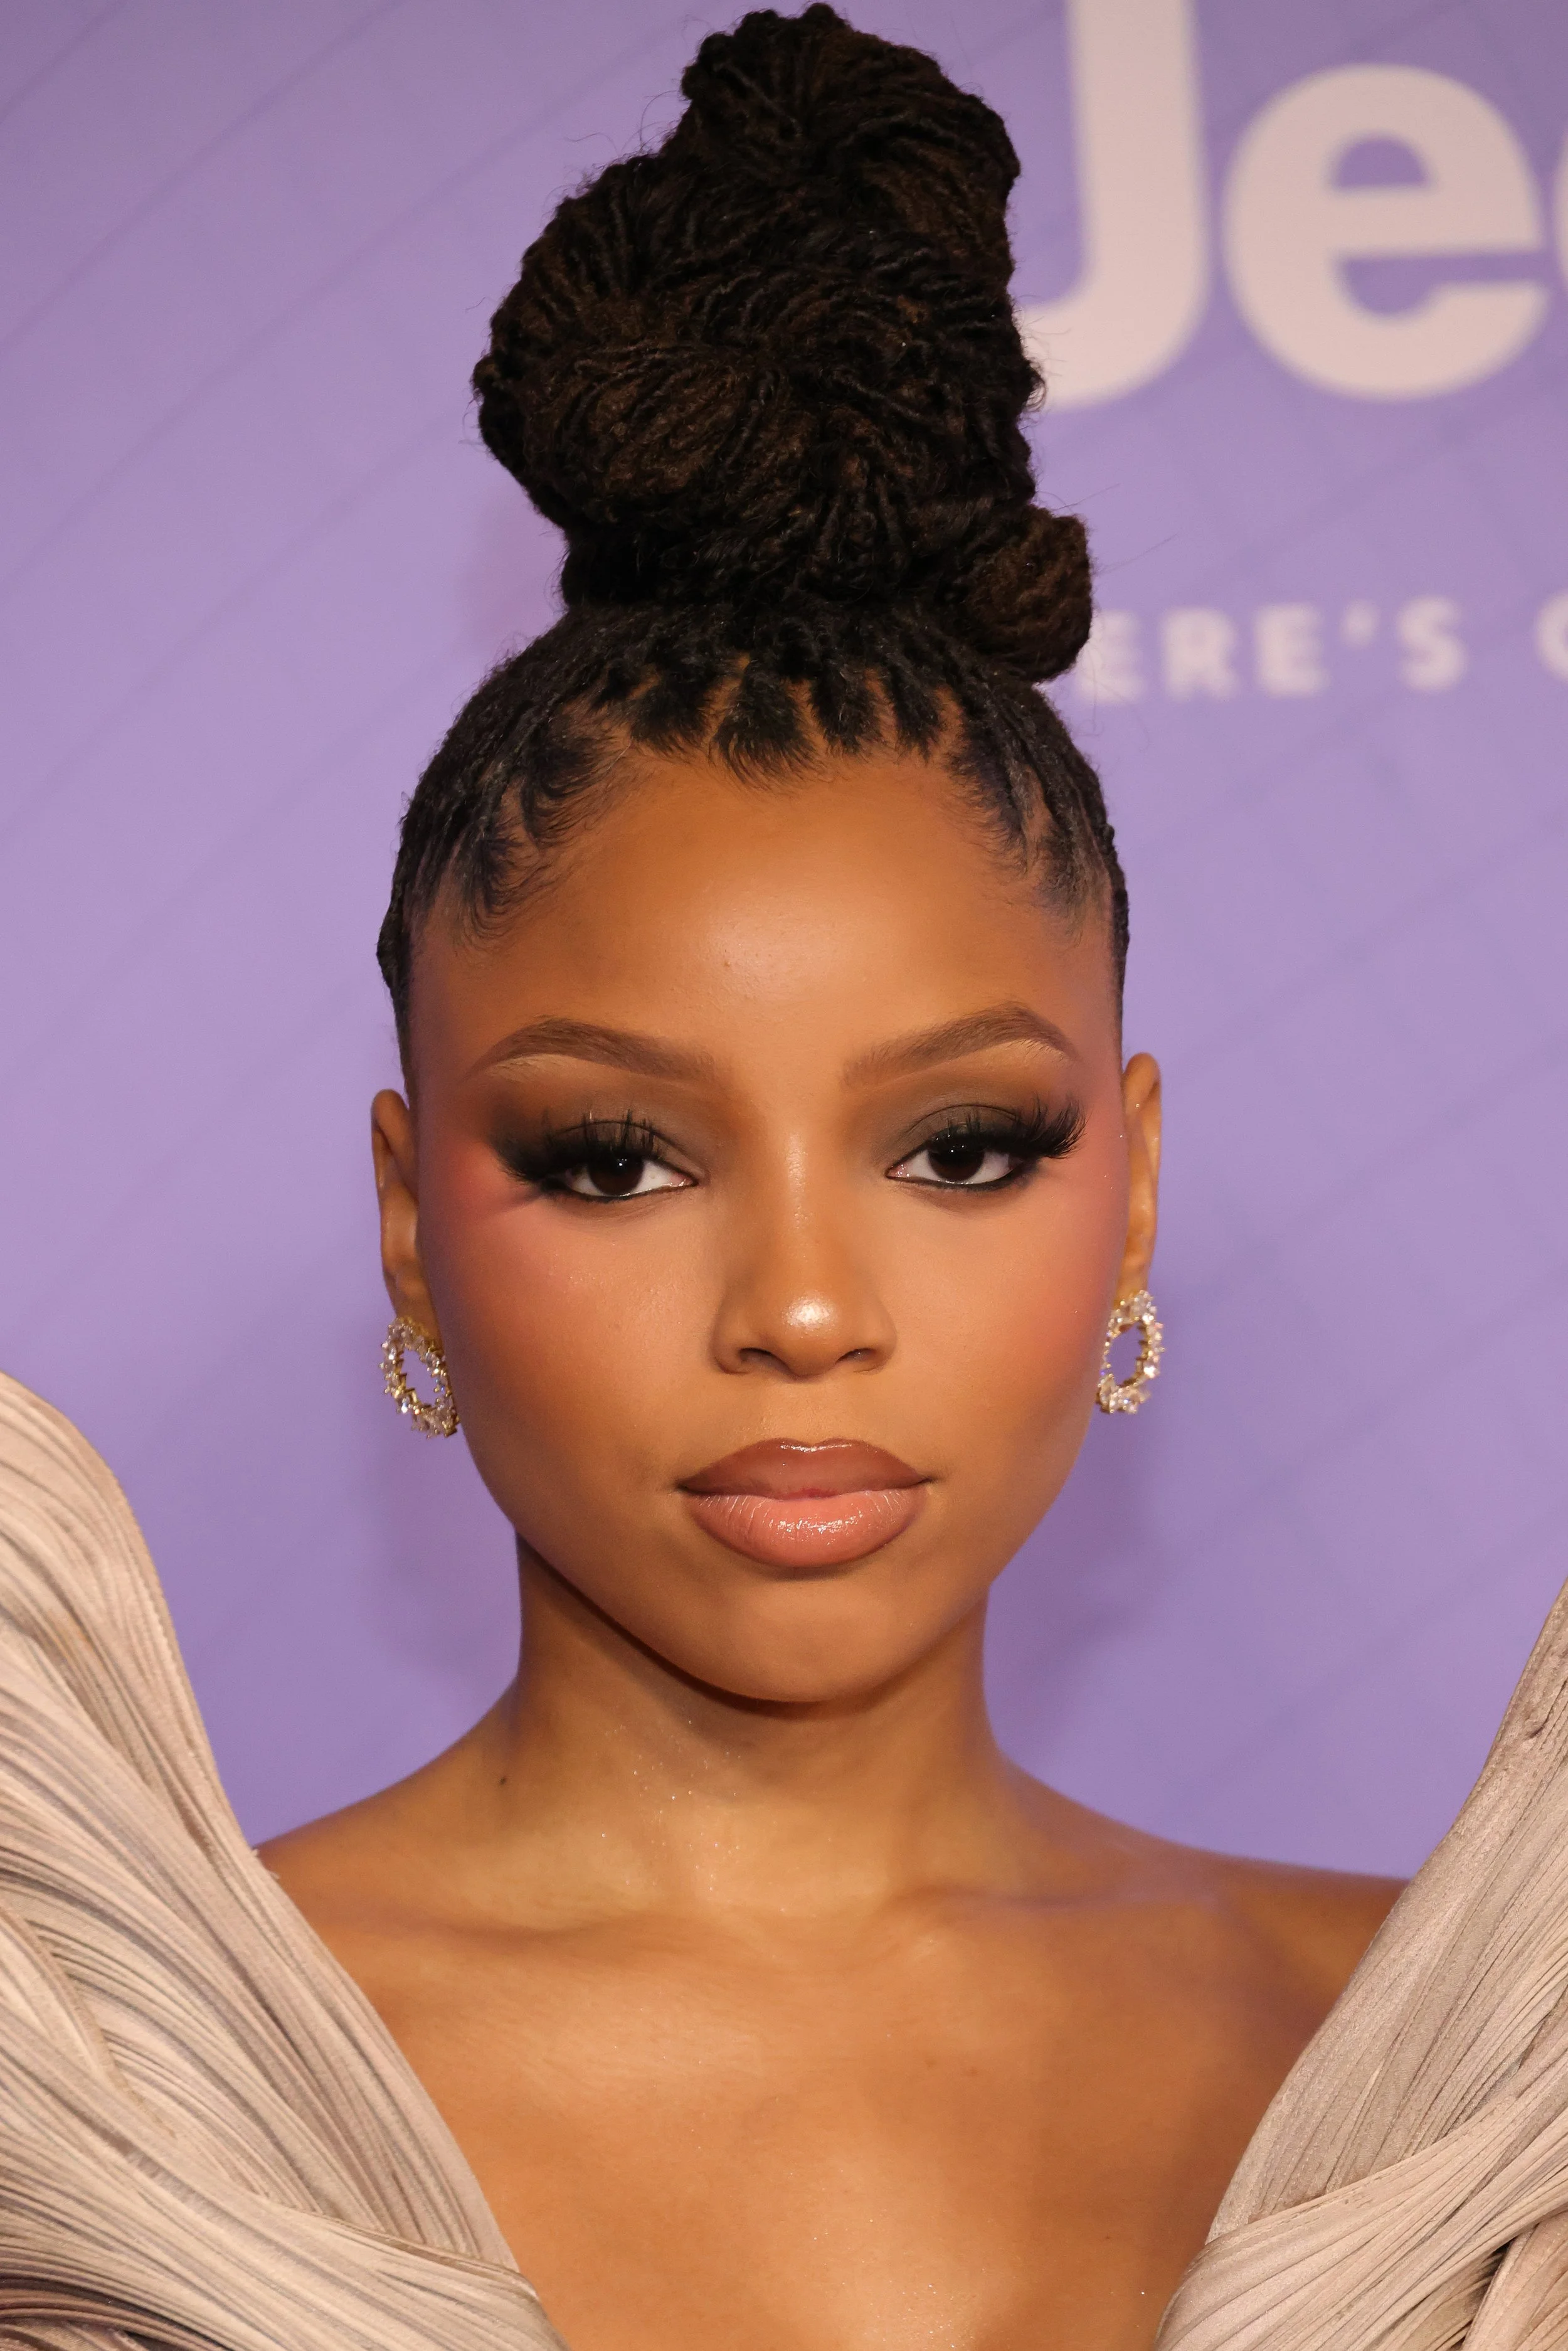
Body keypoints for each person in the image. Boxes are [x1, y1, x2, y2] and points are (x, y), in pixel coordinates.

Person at [4, 11, 1567, 2351]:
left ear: (1127, 1194)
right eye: (613, 1155)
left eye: (960, 1144)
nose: (806, 1307)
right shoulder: (96, 2108)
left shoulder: (1482, 2092)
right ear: (412, 1225)